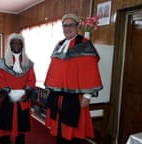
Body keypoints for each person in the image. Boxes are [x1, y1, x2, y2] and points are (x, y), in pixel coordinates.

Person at [44, 13, 103, 144]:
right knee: (59, 129)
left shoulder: (85, 44)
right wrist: (50, 87)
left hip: (75, 98)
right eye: (65, 25)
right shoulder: (59, 44)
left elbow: (90, 71)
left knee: (72, 131)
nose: (67, 28)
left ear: (77, 27)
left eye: (71, 25)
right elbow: (54, 68)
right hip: (57, 96)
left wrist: (87, 96)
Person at [0, 33, 36, 144]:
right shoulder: (2, 63)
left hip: (22, 99)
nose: (16, 45)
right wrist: (11, 93)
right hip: (7, 100)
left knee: (21, 129)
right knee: (5, 128)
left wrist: (23, 91)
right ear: (10, 45)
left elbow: (31, 80)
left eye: (19, 43)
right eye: (14, 43)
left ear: (22, 45)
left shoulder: (28, 64)